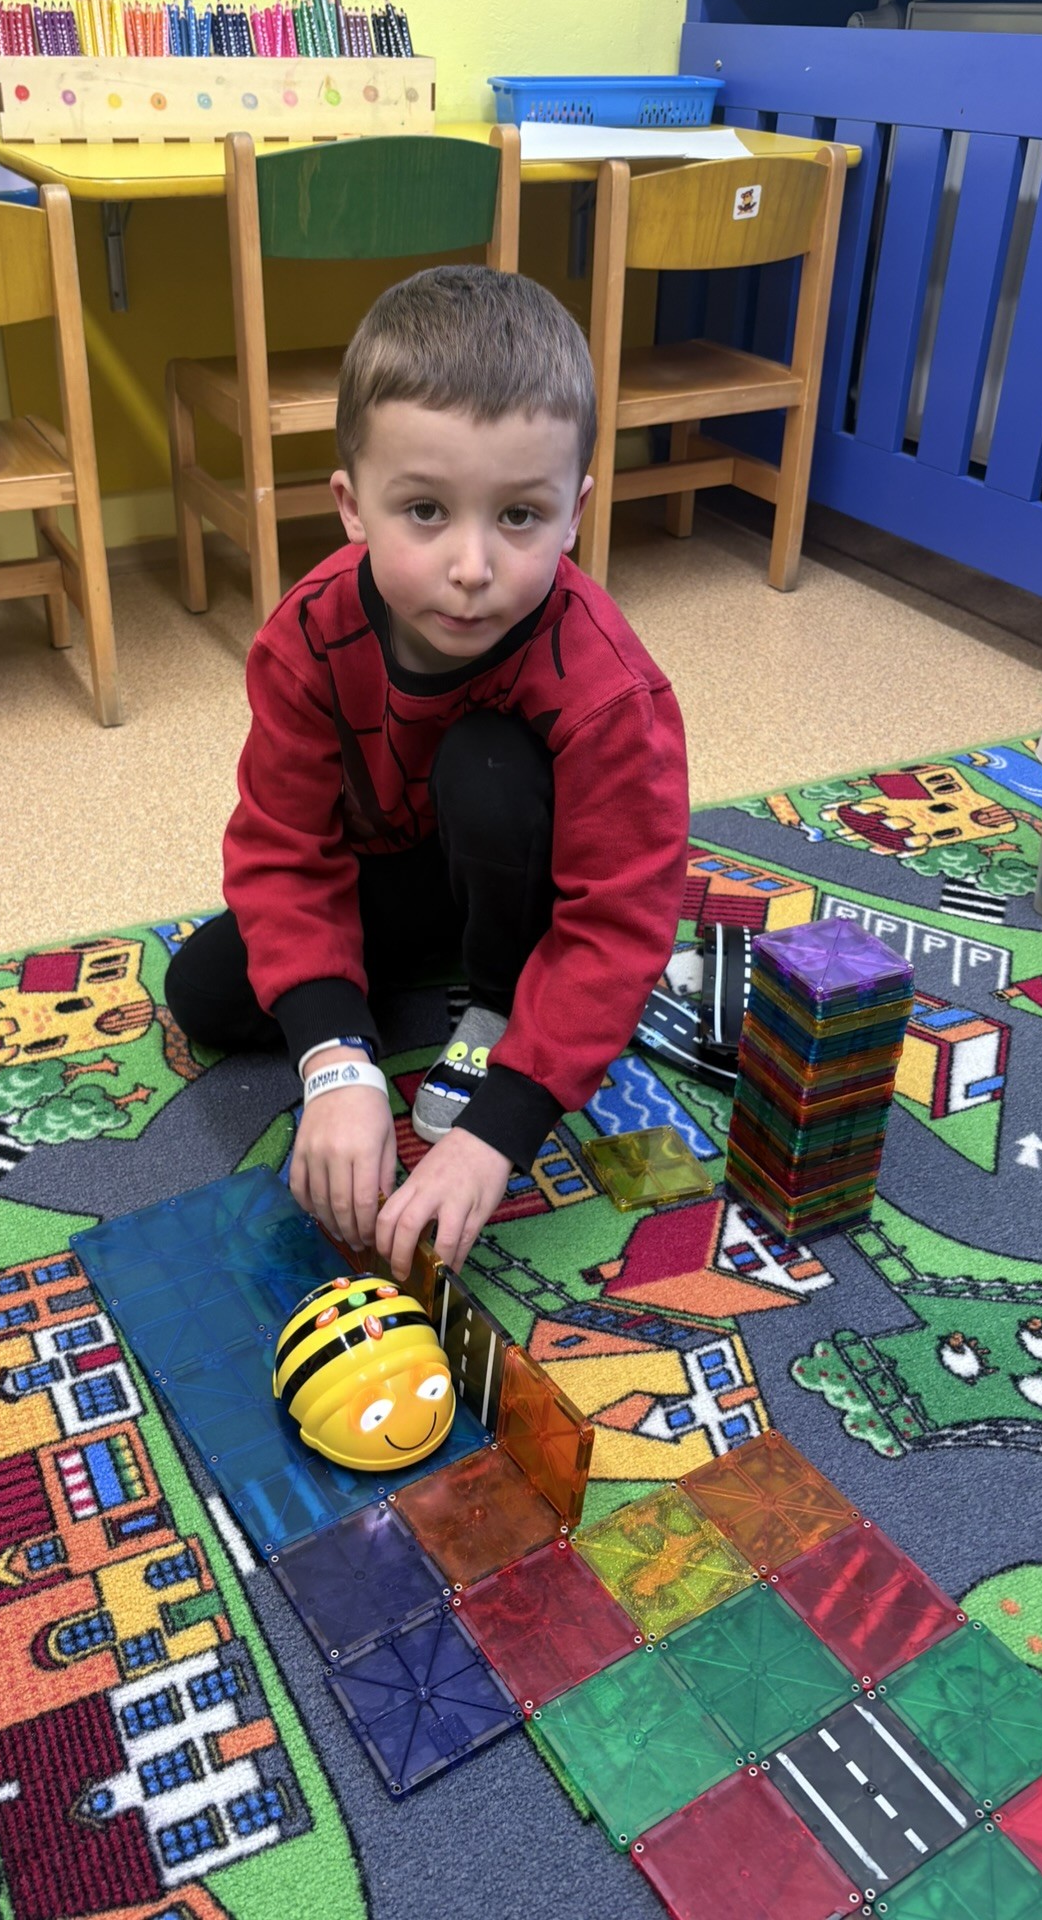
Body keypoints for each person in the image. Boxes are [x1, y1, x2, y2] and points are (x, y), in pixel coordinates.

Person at [165, 265, 689, 1279]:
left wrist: (499, 1130)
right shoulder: (306, 637)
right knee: (207, 993)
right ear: (352, 505)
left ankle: (500, 993)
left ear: (576, 512)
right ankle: (436, 965)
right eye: (424, 510)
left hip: (525, 870)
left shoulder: (610, 688)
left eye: (520, 516)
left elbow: (622, 919)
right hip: (405, 871)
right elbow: (283, 849)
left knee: (488, 764)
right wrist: (336, 1060)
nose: (472, 567)